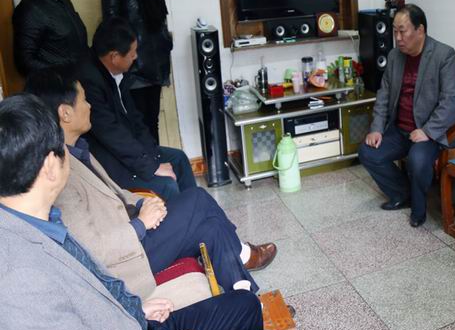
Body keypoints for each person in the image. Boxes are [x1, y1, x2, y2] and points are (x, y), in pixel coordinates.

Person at [0, 94, 286, 330]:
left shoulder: (37, 223)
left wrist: (134, 310)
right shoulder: (18, 275)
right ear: (50, 167)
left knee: (244, 305)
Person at [25, 69, 277, 299]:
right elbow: (92, 250)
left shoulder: (77, 151)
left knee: (210, 228)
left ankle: (249, 300)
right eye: (83, 99)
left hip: (134, 237)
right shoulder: (58, 175)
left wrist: (143, 203)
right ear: (65, 113)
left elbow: (117, 194)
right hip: (126, 261)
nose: (89, 105)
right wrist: (140, 224)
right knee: (197, 199)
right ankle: (242, 253)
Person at [358, 4, 455, 227]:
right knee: (368, 152)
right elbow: (384, 95)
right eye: (395, 31)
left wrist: (427, 131)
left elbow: (450, 101)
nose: (397, 38)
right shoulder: (395, 56)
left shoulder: (444, 55)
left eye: (402, 31)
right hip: (400, 130)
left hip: (430, 132)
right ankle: (402, 193)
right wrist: (376, 129)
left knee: (418, 160)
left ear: (420, 30)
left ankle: (419, 209)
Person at [78, 16, 195, 200]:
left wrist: (154, 157)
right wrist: (151, 166)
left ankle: (196, 209)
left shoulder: (118, 73)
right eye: (132, 53)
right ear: (114, 57)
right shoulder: (90, 82)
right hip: (111, 161)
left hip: (130, 153)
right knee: (167, 184)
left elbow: (136, 121)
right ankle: (181, 218)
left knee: (178, 159)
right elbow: (113, 135)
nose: (135, 57)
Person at [102, 0, 173, 143]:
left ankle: (157, 159)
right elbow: (111, 18)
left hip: (155, 55)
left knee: (153, 118)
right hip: (133, 58)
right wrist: (126, 53)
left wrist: (166, 40)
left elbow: (159, 11)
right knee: (138, 121)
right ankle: (147, 161)